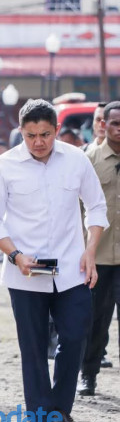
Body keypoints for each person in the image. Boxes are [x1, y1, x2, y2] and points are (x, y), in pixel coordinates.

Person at [0, 99, 107, 422]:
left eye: (46, 134)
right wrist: (15, 255)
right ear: (21, 131)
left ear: (56, 130)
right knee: (33, 349)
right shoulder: (4, 166)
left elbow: (96, 207)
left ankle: (60, 412)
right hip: (26, 271)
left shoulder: (76, 160)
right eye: (32, 135)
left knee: (75, 335)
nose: (39, 141)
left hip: (71, 268)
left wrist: (90, 250)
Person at [79, 100, 120, 396]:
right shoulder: (89, 159)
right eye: (115, 123)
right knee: (95, 321)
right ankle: (88, 374)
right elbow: (77, 206)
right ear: (104, 125)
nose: (119, 129)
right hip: (99, 257)